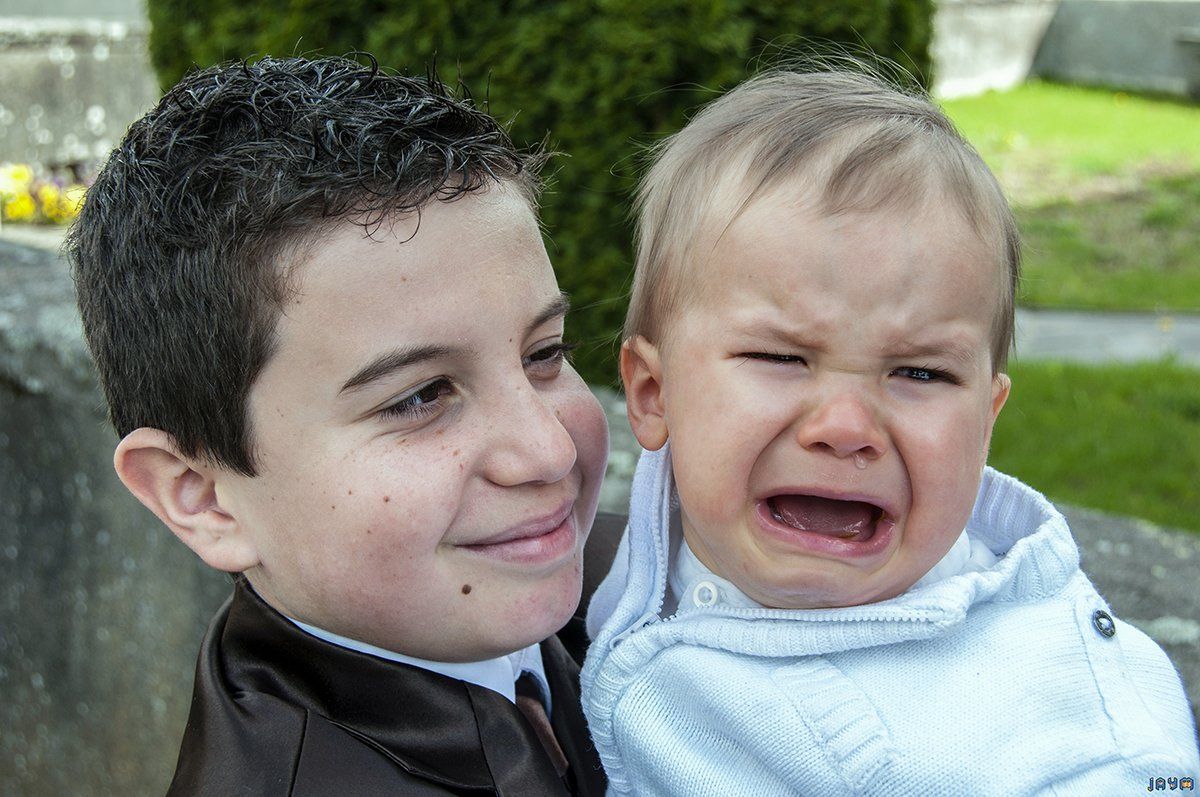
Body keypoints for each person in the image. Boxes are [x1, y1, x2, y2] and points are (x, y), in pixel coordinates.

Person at [581, 66, 1200, 796]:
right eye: (781, 357)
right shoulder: (645, 538)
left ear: (984, 423)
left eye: (920, 374)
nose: (846, 428)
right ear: (655, 394)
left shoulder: (1047, 740)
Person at [69, 55, 610, 795]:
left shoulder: (636, 569)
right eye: (419, 396)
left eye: (545, 352)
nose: (547, 450)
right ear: (203, 494)